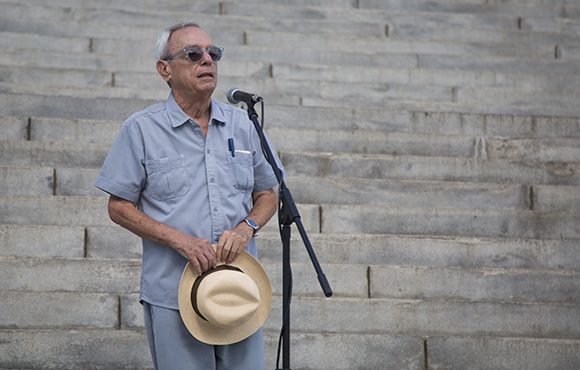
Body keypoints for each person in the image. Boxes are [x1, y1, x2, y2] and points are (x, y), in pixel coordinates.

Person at [95, 22, 282, 370]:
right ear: (164, 69)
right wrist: (179, 240)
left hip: (238, 289)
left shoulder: (244, 126)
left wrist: (246, 228)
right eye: (193, 54)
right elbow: (118, 207)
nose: (207, 61)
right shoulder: (141, 129)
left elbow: (268, 194)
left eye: (214, 53)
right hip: (173, 294)